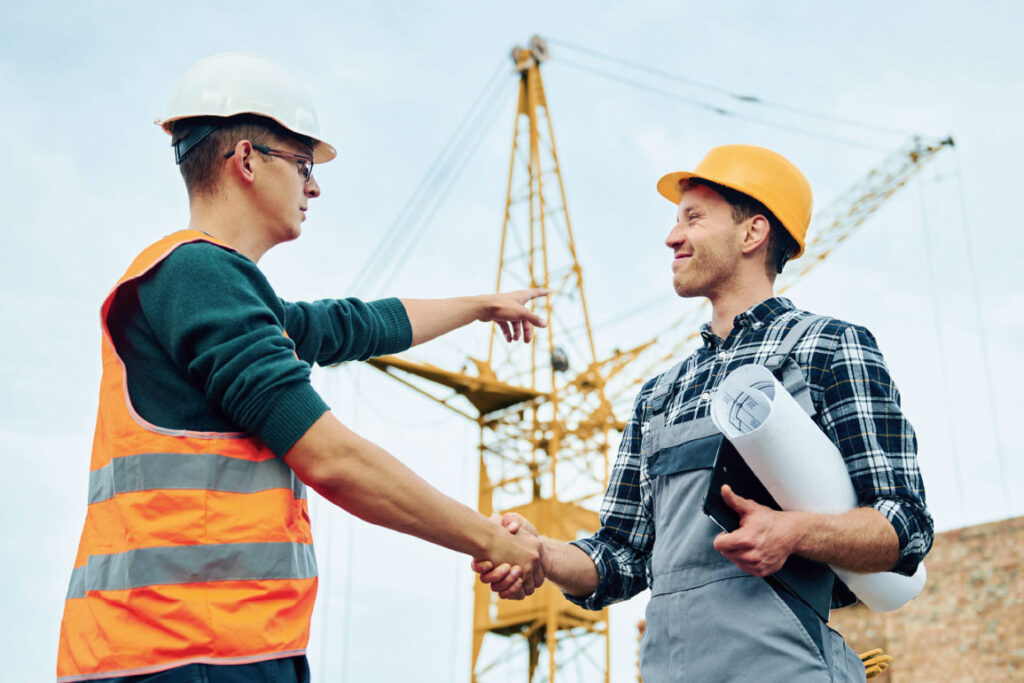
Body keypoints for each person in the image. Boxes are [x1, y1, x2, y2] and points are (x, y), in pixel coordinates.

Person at [56, 53, 547, 683]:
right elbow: (331, 458)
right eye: (304, 165)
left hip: (199, 647)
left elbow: (348, 325)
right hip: (186, 650)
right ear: (248, 160)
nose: (314, 187)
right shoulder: (199, 276)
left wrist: (478, 305)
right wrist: (490, 540)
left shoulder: (214, 287)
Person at [474, 144, 933, 681]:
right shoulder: (659, 394)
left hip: (787, 668)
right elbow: (623, 557)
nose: (672, 237)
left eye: (693, 218)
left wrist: (794, 533)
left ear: (752, 233)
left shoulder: (828, 348)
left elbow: (905, 525)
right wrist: (544, 555)